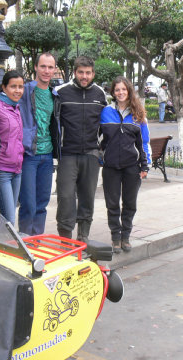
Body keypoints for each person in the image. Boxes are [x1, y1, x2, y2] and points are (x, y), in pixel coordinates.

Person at [55, 56, 107, 242]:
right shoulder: (61, 92)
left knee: (87, 198)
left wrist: (101, 148)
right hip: (68, 154)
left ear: (93, 73)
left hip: (91, 155)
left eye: (88, 73)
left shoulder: (100, 94)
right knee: (66, 197)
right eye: (81, 73)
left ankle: (83, 237)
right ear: (75, 72)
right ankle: (66, 240)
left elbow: (106, 124)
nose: (84, 76)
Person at [100, 76, 150, 253]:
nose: (120, 92)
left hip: (132, 167)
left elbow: (143, 143)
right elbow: (98, 139)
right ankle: (115, 237)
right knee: (112, 204)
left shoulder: (138, 114)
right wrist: (100, 156)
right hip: (111, 167)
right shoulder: (105, 112)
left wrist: (145, 165)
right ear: (113, 92)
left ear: (128, 91)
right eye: (117, 90)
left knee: (129, 204)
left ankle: (126, 237)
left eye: (123, 89)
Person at [18, 52, 61, 235]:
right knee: (28, 203)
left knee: (42, 202)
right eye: (43, 66)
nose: (46, 71)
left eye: (50, 67)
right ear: (35, 67)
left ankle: (37, 241)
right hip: (29, 154)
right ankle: (26, 243)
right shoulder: (25, 90)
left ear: (55, 70)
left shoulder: (55, 95)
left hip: (47, 154)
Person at [0, 71, 25, 225]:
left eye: (20, 87)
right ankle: (7, 247)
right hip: (3, 170)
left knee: (10, 217)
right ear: (4, 87)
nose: (17, 90)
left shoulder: (16, 107)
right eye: (13, 86)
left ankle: (6, 246)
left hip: (17, 169)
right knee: (9, 220)